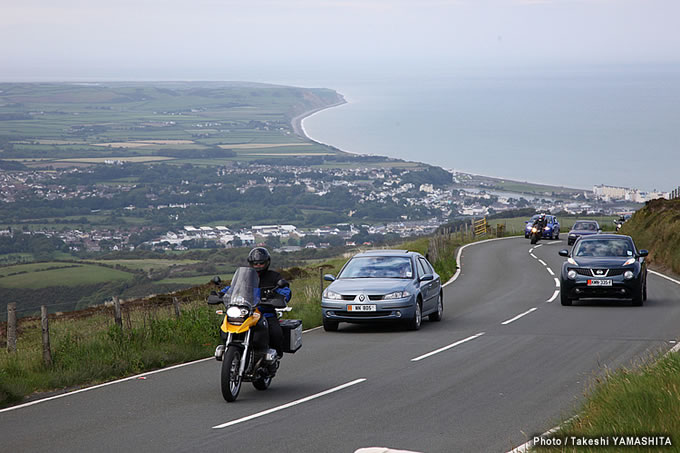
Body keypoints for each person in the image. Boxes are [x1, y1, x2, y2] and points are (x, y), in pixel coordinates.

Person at [222, 247, 291, 358]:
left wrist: (282, 296)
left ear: (267, 262)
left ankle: (275, 356)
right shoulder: (245, 277)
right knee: (225, 324)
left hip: (266, 313)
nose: (258, 266)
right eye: (255, 263)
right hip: (246, 312)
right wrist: (221, 295)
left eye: (261, 263)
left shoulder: (274, 277)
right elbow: (233, 288)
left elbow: (285, 289)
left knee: (276, 333)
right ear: (251, 264)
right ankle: (227, 349)